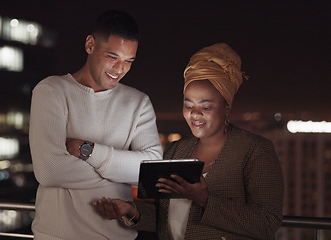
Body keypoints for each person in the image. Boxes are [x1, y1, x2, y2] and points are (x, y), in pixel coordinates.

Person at [94, 43, 284, 240]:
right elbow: (166, 219)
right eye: (188, 105)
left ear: (226, 107)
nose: (195, 114)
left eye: (206, 106)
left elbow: (267, 223)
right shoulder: (177, 151)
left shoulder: (254, 151)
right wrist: (130, 210)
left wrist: (205, 199)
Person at [28, 10, 163, 240]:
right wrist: (121, 170)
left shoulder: (139, 102)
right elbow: (50, 171)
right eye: (113, 57)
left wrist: (89, 150)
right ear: (90, 45)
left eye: (128, 61)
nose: (120, 69)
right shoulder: (51, 91)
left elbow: (150, 170)